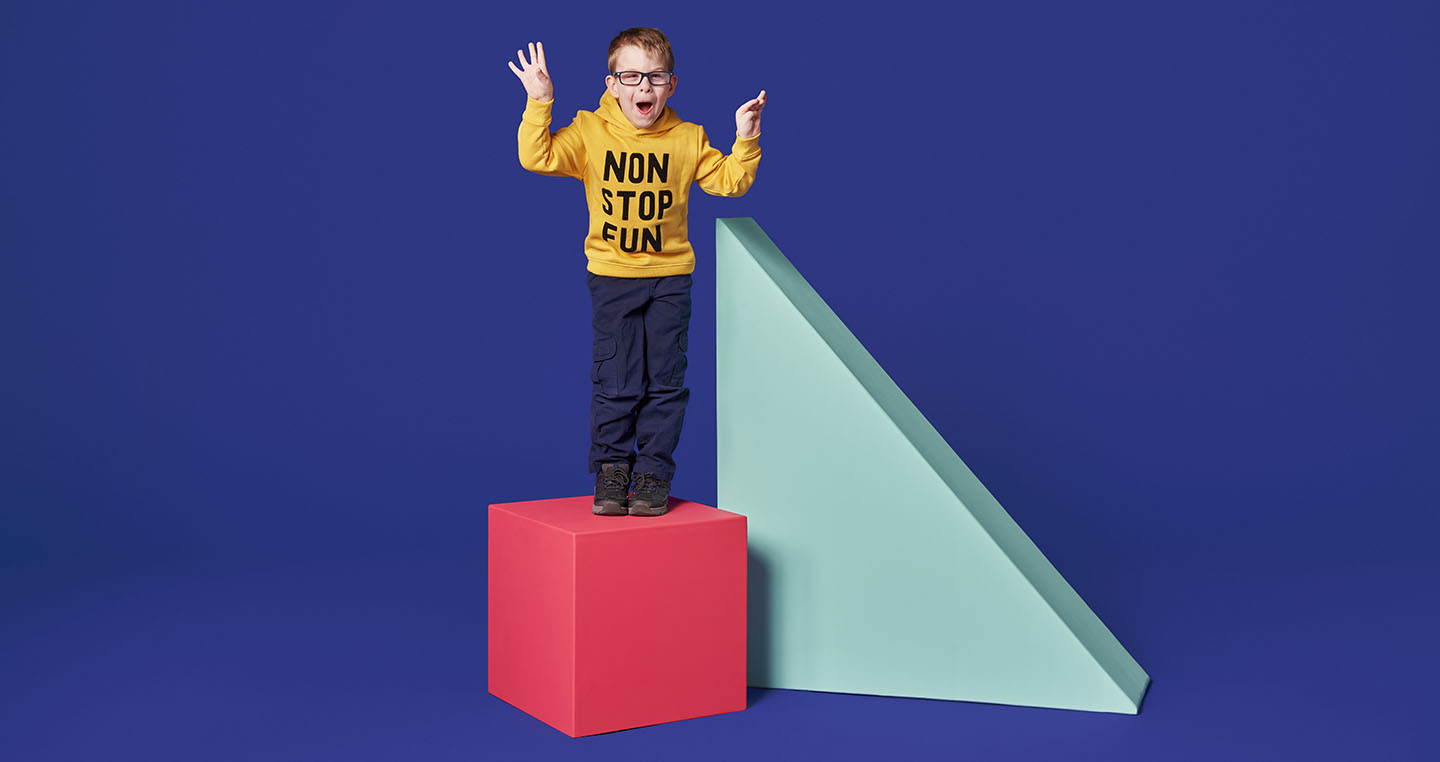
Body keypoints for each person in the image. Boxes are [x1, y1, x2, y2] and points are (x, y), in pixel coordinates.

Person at [509, 28, 765, 516]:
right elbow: (535, 156)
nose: (642, 87)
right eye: (631, 76)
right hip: (612, 278)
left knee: (666, 381)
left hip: (671, 279)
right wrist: (540, 102)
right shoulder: (589, 133)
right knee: (616, 380)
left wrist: (746, 137)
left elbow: (730, 182)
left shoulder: (688, 139)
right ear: (611, 84)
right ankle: (612, 471)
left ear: (671, 84)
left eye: (655, 76)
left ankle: (652, 475)